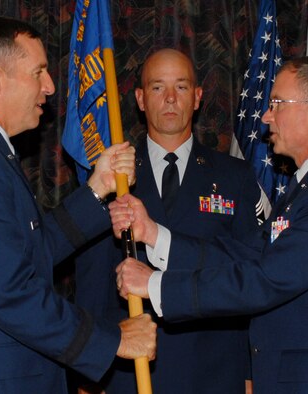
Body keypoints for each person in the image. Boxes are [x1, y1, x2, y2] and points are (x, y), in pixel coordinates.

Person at [112, 55, 308, 393]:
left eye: (278, 103)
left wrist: (155, 286)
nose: (267, 116)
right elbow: (248, 256)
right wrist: (154, 234)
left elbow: (266, 279)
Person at [0, 16, 156, 394]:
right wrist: (114, 340)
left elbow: (30, 252)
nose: (49, 86)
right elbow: (13, 293)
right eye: (38, 72)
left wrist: (97, 188)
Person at [74, 48, 266, 393]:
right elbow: (91, 282)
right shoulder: (111, 177)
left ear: (197, 97)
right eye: (157, 88)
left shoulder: (234, 176)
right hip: (130, 371)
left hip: (214, 368)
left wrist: (250, 370)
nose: (170, 99)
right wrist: (89, 371)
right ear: (140, 99)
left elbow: (250, 273)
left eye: (181, 87)